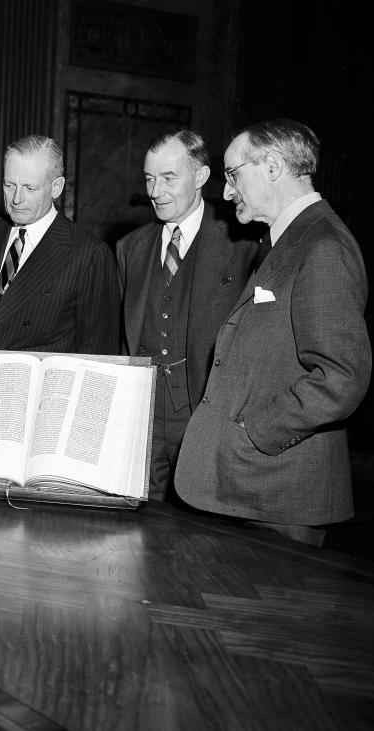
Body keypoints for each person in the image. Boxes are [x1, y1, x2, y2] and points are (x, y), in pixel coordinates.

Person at [175, 119, 371, 545]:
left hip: (279, 492)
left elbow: (340, 377)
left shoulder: (322, 246)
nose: (226, 192)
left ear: (273, 166)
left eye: (232, 175)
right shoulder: (289, 240)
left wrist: (254, 433)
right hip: (257, 489)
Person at [116, 130, 258, 501]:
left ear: (199, 177)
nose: (155, 190)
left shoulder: (242, 243)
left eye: (168, 177)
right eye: (149, 178)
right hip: (141, 419)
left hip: (204, 417)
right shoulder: (130, 248)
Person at [0, 135, 120, 355]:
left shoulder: (89, 254)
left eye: (30, 188)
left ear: (56, 187)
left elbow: (97, 355)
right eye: (9, 185)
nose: (17, 199)